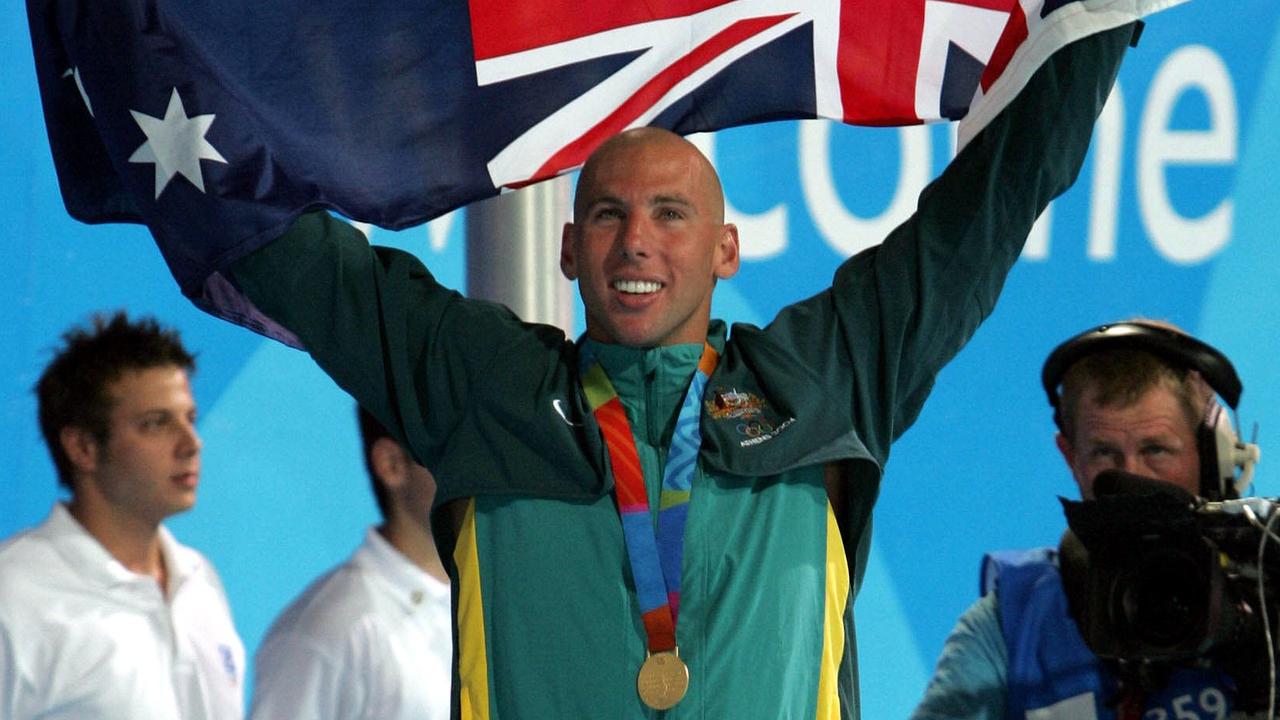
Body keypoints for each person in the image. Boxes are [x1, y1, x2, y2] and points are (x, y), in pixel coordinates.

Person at [224, 26, 1135, 719]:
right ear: (571, 251)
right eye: (610, 217)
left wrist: (1095, 24)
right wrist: (147, 71)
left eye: (671, 214)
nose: (638, 242)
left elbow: (986, 211)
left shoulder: (825, 378)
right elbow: (302, 267)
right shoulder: (482, 388)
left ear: (726, 248)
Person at [910, 320, 1265, 720]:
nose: (1133, 478)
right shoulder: (1009, 624)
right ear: (1070, 456)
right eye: (1104, 454)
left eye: (1157, 450)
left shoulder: (1272, 590)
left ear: (1213, 453)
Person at [0, 311, 244, 720]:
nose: (191, 444)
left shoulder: (199, 581)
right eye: (155, 424)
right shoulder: (13, 600)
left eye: (190, 419)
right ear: (83, 448)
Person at [250, 406, 451, 720]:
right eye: (454, 452)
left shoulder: (485, 609)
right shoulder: (328, 630)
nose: (482, 474)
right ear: (392, 464)